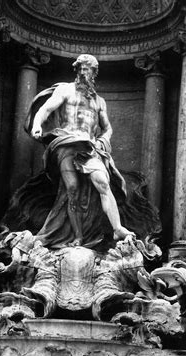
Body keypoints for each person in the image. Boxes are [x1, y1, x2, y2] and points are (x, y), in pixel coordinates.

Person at [28, 54, 133, 247]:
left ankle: (117, 228)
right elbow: (46, 109)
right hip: (67, 143)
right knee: (73, 190)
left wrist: (103, 140)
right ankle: (78, 236)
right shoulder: (65, 90)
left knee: (102, 181)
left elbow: (107, 128)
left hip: (89, 147)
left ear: (94, 72)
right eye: (81, 69)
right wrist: (37, 125)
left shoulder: (100, 101)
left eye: (88, 69)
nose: (83, 72)